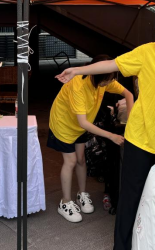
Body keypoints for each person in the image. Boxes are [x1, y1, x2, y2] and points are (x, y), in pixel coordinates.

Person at [56, 3, 155, 250]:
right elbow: (111, 65)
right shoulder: (148, 52)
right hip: (140, 139)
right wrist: (78, 70)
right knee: (131, 199)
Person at [48, 55, 133, 223]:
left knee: (81, 159)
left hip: (81, 125)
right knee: (71, 161)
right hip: (64, 124)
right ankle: (65, 202)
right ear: (96, 75)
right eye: (107, 80)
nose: (110, 83)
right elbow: (84, 122)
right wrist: (111, 136)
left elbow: (128, 95)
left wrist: (130, 123)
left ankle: (82, 194)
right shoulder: (79, 84)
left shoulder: (104, 79)